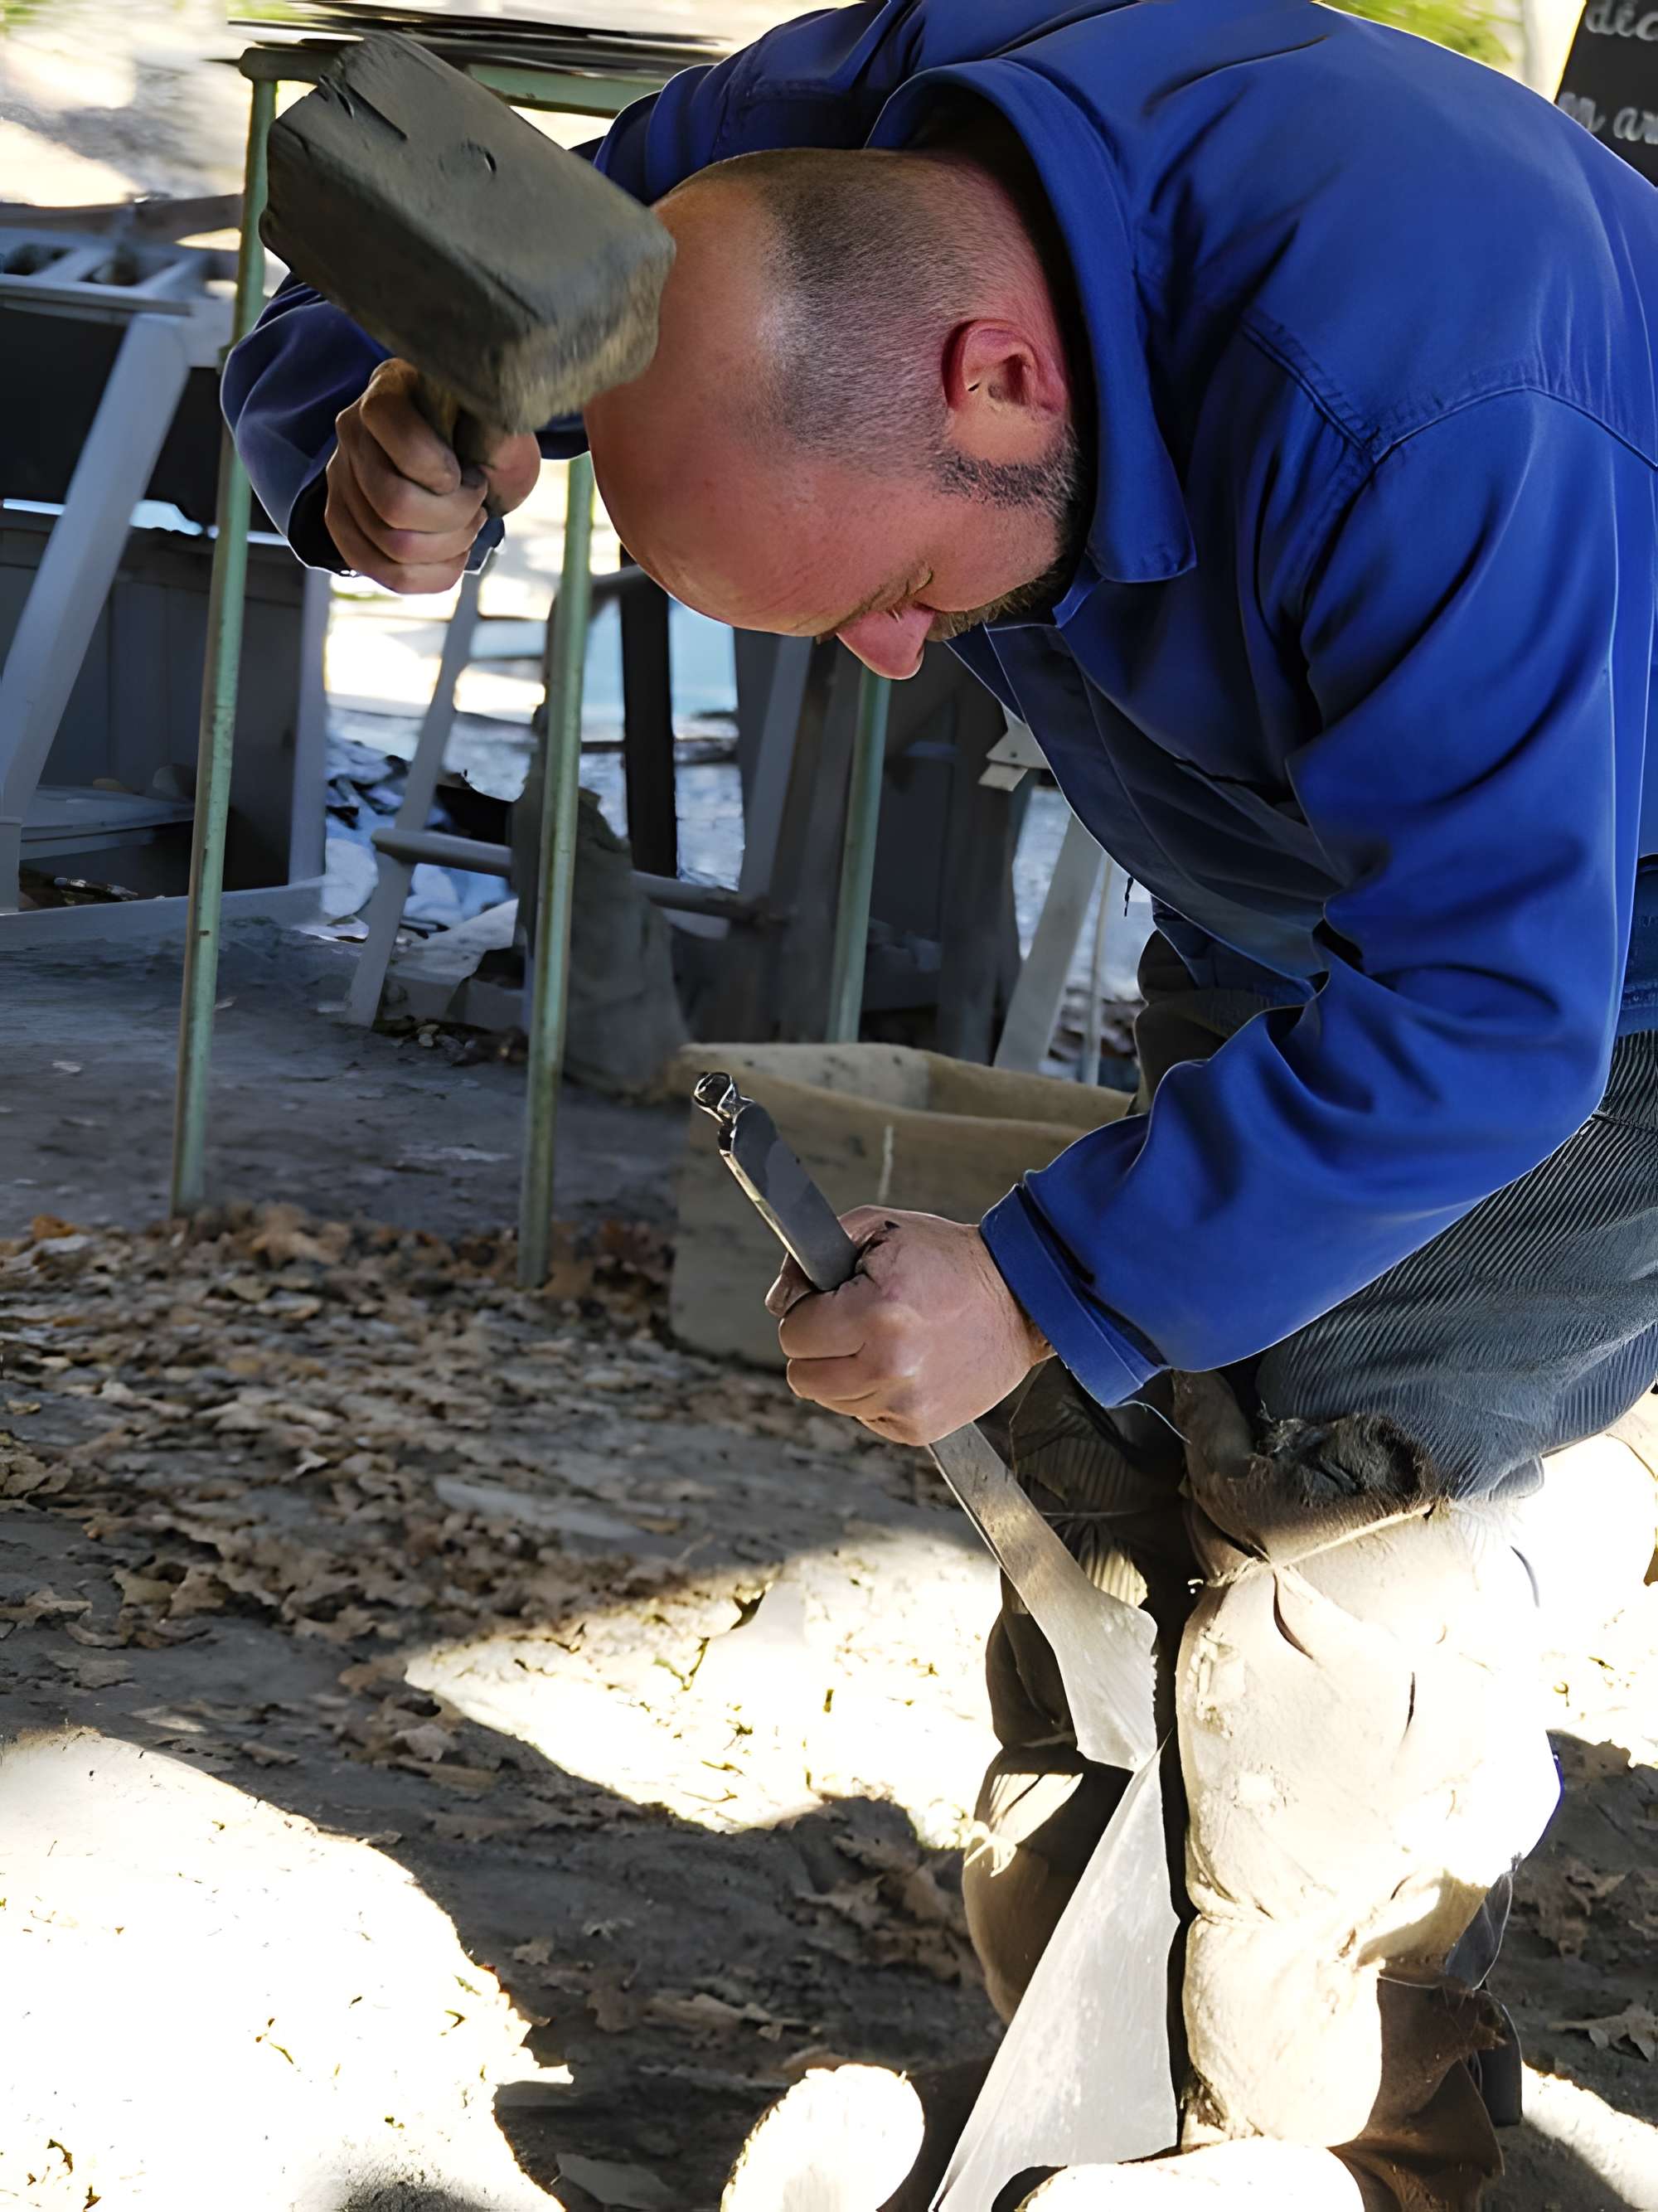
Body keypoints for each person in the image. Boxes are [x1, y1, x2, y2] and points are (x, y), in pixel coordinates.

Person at [225, 2, 1658, 2204]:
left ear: (1000, 374)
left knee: (1329, 1516)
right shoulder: (810, 141)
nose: (899, 662)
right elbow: (417, 270)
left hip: (1596, 929)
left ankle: (1281, 2147)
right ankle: (1177, 2084)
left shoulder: (1428, 385)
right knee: (1116, 1482)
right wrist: (383, 426)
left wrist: (1051, 1266)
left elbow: (1488, 1012)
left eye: (897, 597)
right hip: (1302, 847)